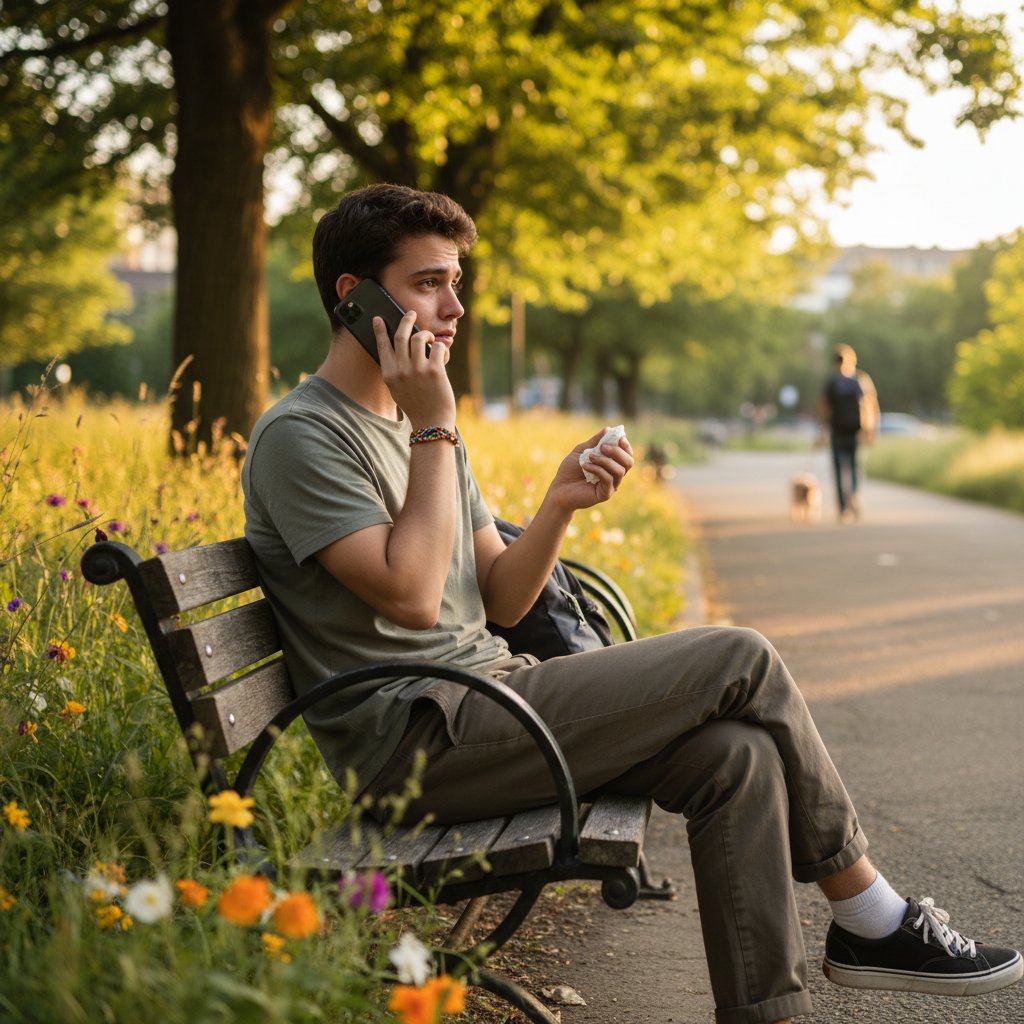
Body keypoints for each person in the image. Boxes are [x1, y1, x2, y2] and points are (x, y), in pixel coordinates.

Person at [241, 184, 1021, 1024]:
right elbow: (413, 598)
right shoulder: (303, 436)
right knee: (741, 656)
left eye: (455, 282)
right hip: (418, 744)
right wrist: (436, 427)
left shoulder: (421, 426)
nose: (456, 307)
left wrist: (558, 505)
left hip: (493, 701)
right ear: (355, 297)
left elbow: (501, 596)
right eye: (429, 283)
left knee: (734, 757)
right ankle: (872, 916)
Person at [818, 344, 880, 521]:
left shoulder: (833, 382)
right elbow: (872, 405)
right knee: (854, 468)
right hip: (856, 431)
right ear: (852, 360)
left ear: (834, 362)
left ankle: (843, 508)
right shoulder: (861, 380)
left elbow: (824, 407)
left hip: (837, 431)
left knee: (839, 470)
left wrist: (822, 430)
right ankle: (853, 497)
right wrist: (872, 429)